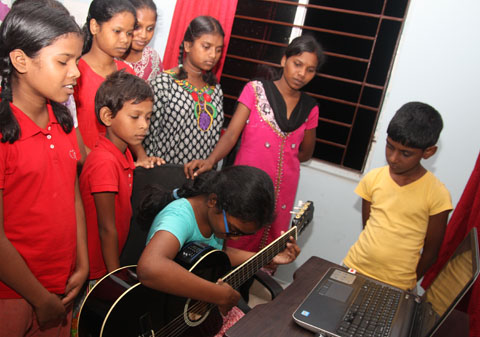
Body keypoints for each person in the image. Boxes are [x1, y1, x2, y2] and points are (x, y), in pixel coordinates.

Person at [185, 35, 325, 254]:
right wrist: (211, 161)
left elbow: (306, 153)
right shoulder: (256, 90)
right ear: (283, 60)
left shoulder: (310, 107)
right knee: (237, 234)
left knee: (269, 249)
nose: (301, 74)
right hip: (246, 185)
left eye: (310, 70)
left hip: (284, 190)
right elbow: (231, 134)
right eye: (297, 64)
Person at [0, 2, 88, 336]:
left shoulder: (63, 123)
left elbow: (73, 197)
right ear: (20, 60)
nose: (76, 72)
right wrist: (38, 298)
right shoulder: (4, 134)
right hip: (11, 293)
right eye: (63, 61)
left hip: (60, 286)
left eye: (77, 60)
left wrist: (81, 263)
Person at [136, 165, 300, 336]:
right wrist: (219, 294)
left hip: (186, 313)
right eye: (234, 230)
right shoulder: (179, 217)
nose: (235, 238)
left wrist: (267, 257)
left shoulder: (217, 221)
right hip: (162, 317)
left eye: (242, 234)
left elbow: (216, 256)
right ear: (213, 201)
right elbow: (150, 268)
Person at [72, 70, 154, 336]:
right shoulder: (105, 162)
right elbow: (106, 227)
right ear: (108, 116)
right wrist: (115, 278)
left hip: (104, 265)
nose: (144, 125)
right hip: (96, 269)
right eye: (135, 117)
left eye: (148, 117)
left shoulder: (123, 155)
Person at [343, 102, 453, 291]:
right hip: (354, 267)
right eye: (390, 147)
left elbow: (431, 253)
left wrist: (405, 283)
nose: (393, 158)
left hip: (398, 285)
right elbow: (368, 226)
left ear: (428, 152)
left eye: (405, 153)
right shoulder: (373, 179)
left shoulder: (437, 194)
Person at [140, 15, 225, 164]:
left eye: (218, 50)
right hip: (164, 175)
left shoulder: (215, 90)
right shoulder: (164, 84)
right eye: (206, 47)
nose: (213, 55)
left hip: (199, 178)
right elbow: (145, 135)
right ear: (188, 45)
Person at [74, 0, 136, 154]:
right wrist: (97, 163)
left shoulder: (128, 72)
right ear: (95, 26)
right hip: (84, 167)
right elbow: (67, 132)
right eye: (117, 31)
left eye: (129, 33)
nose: (125, 39)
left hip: (117, 165)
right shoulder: (75, 72)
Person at [122, 0, 163, 82]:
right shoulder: (110, 57)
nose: (144, 35)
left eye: (150, 29)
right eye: (137, 27)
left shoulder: (152, 59)